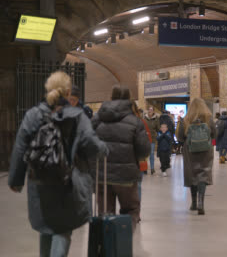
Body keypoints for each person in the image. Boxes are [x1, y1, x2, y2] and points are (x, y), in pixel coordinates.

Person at [8, 71, 108, 257]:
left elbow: (20, 148)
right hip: (67, 183)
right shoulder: (77, 116)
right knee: (62, 229)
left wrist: (16, 180)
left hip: (39, 182)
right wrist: (104, 149)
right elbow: (92, 145)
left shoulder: (33, 115)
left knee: (46, 227)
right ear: (68, 91)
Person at [92, 85, 150, 231]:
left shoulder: (97, 119)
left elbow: (87, 143)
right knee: (130, 211)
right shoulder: (135, 122)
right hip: (126, 176)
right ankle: (123, 244)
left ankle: (107, 247)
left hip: (102, 175)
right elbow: (144, 151)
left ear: (111, 97)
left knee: (105, 213)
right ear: (129, 99)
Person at [177, 98, 215, 215]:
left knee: (192, 174)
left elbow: (179, 137)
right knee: (203, 174)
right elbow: (214, 134)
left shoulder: (185, 120)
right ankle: (200, 203)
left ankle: (193, 202)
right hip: (206, 151)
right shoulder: (209, 119)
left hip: (190, 151)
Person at [144, 106, 160, 175]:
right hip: (145, 139)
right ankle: (144, 168)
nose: (150, 111)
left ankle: (152, 168)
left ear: (153, 111)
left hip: (152, 139)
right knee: (144, 154)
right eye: (149, 109)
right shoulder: (144, 118)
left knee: (151, 154)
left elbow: (158, 129)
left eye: (151, 110)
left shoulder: (156, 119)